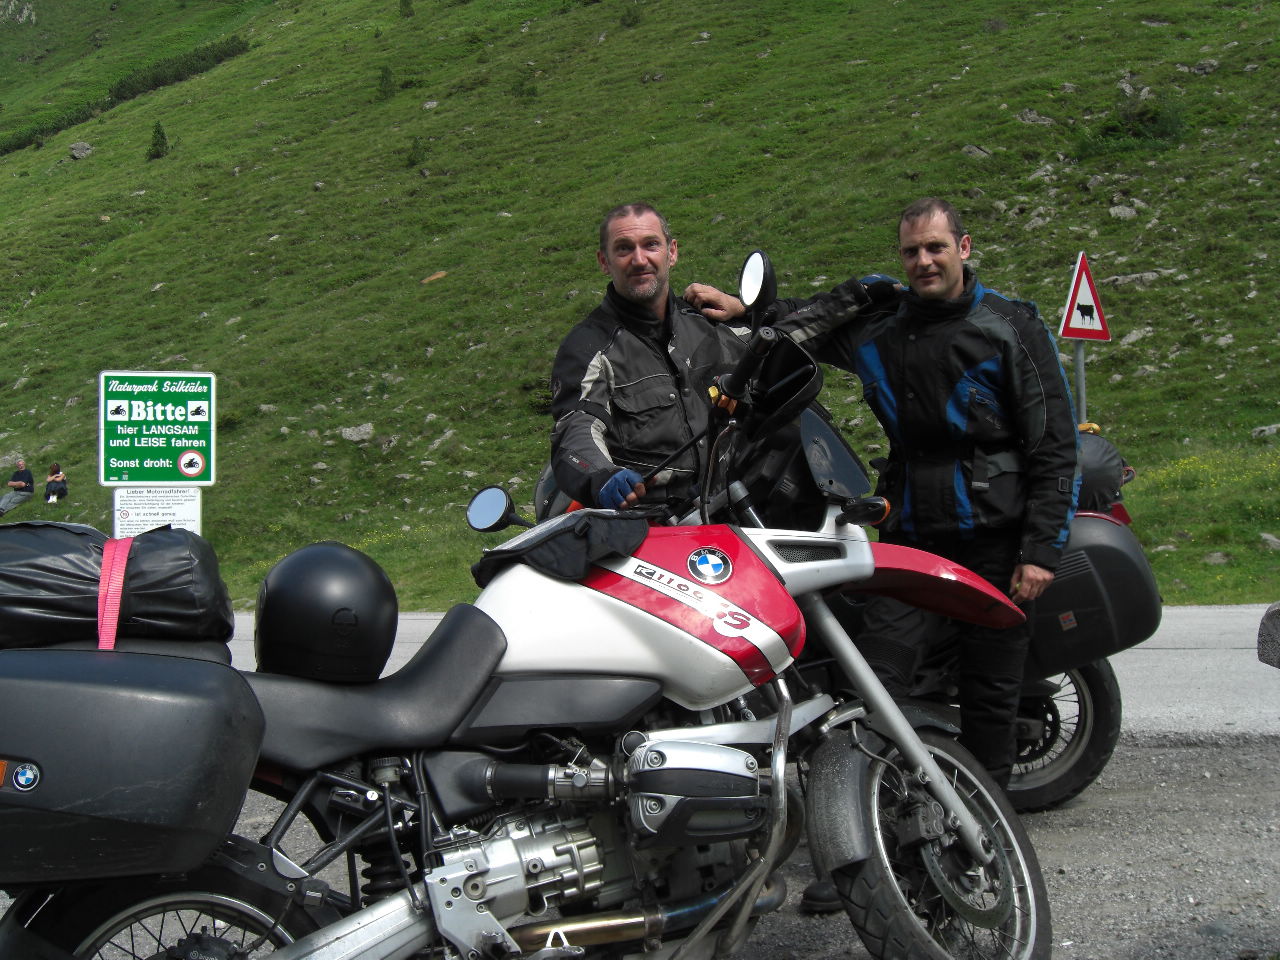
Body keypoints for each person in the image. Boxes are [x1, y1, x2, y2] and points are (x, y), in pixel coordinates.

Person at [686, 197, 1078, 910]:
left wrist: (1041, 551)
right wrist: (743, 311)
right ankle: (868, 853)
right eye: (911, 251)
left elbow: (1054, 445)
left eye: (936, 248)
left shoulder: (1009, 326)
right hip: (913, 537)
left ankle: (979, 845)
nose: (924, 261)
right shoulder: (880, 327)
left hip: (995, 538)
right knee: (877, 686)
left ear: (964, 247)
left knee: (990, 697)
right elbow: (804, 327)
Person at [548, 202, 748, 510]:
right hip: (656, 521)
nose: (639, 259)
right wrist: (602, 475)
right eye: (624, 248)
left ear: (672, 252)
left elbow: (795, 328)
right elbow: (575, 429)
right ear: (604, 261)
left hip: (742, 506)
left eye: (650, 244)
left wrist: (747, 308)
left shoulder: (712, 319)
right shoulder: (587, 347)